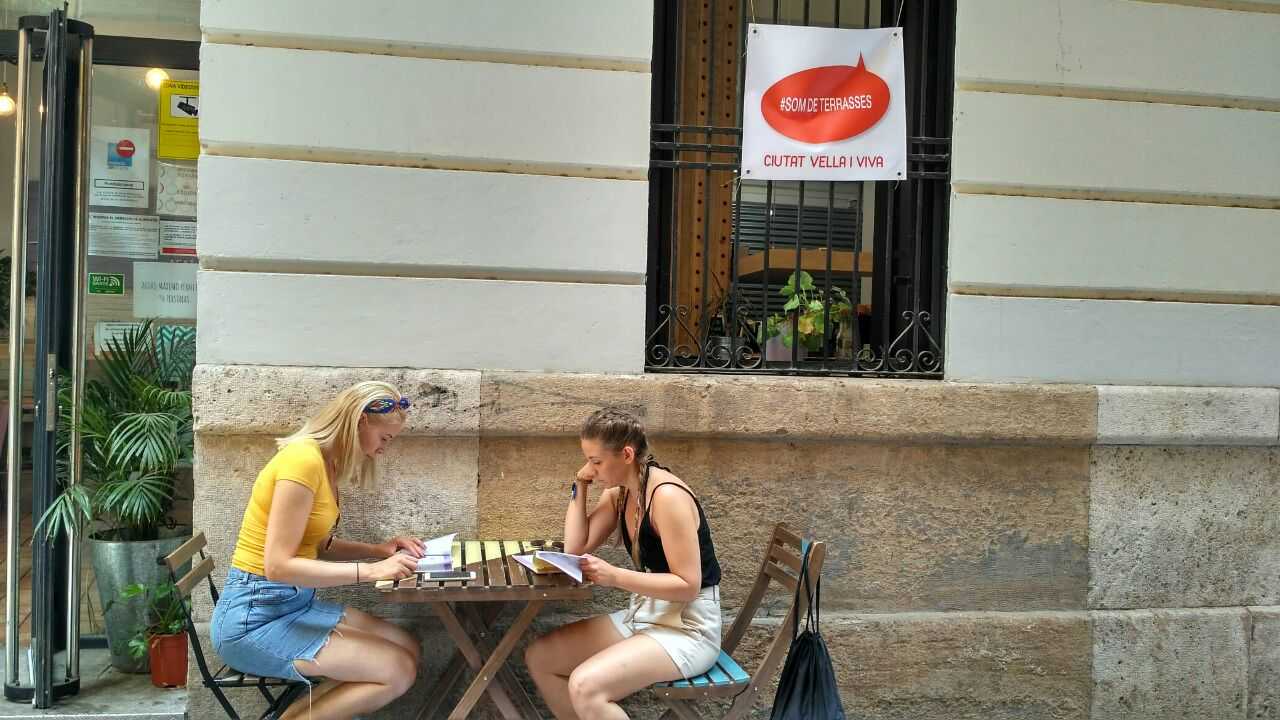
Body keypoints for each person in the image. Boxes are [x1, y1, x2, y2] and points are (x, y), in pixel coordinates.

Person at [210, 381, 423, 719]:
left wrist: (376, 550)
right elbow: (278, 566)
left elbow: (317, 544)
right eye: (386, 438)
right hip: (255, 619)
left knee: (408, 647)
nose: (385, 449)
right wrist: (370, 572)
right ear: (361, 422)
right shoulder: (302, 461)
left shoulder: (327, 463)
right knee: (396, 670)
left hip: (293, 604)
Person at [525, 407, 723, 719]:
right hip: (646, 614)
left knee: (585, 686)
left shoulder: (666, 497)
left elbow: (688, 585)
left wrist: (614, 576)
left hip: (688, 628)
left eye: (597, 461)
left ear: (627, 454)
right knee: (542, 657)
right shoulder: (621, 492)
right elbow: (577, 546)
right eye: (588, 460)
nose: (592, 468)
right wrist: (580, 486)